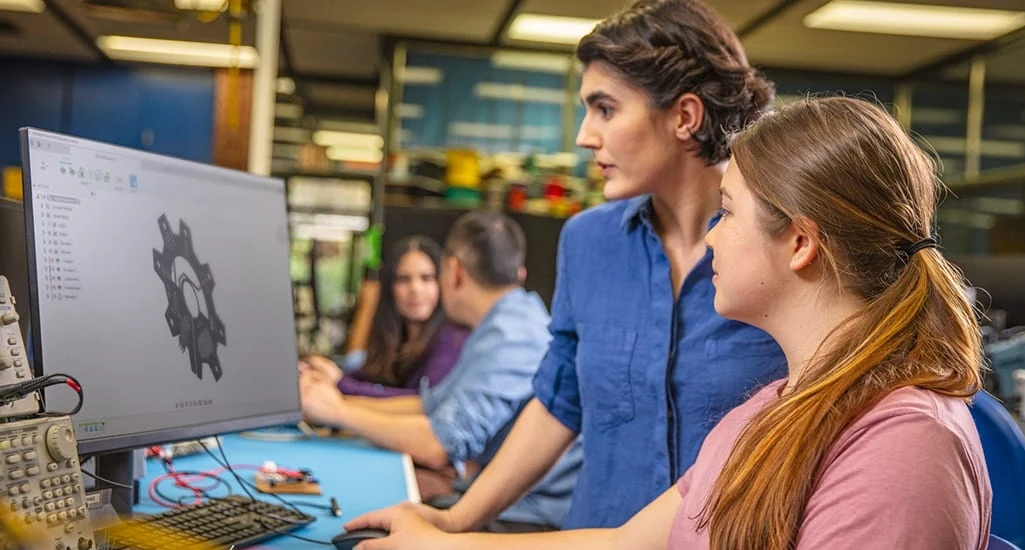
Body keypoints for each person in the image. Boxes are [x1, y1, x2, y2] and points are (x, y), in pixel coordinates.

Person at [343, 96, 993, 550]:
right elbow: (627, 542)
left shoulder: (905, 451)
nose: (712, 240)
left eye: (729, 213)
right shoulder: (775, 409)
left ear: (800, 243)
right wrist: (440, 541)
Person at [347, 0, 787, 534]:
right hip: (589, 534)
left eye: (604, 109)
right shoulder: (588, 241)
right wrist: (455, 521)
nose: (583, 136)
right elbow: (559, 402)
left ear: (684, 116)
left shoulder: (778, 245)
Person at [300, 211, 582, 529]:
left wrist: (339, 411)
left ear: (453, 271)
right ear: (519, 272)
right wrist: (331, 400)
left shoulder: (512, 337)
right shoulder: (505, 320)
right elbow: (428, 405)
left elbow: (439, 445)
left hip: (525, 517)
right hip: (497, 501)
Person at [300, 236, 468, 399]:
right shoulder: (393, 340)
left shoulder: (451, 339)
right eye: (403, 279)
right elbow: (363, 377)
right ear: (390, 288)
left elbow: (424, 402)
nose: (416, 289)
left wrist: (340, 383)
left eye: (426, 278)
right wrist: (320, 373)